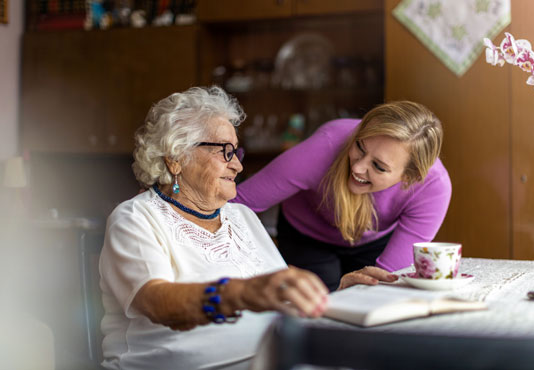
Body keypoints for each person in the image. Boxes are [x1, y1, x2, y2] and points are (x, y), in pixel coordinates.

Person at [99, 86, 396, 370]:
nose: (238, 167)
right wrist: (241, 293)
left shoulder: (241, 216)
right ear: (176, 159)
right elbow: (157, 302)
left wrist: (337, 295)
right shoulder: (136, 218)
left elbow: (278, 296)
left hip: (273, 360)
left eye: (236, 153)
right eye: (224, 152)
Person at [233, 101, 451, 291]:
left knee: (373, 301)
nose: (358, 167)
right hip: (307, 235)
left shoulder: (433, 187)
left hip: (374, 241)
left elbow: (387, 280)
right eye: (360, 147)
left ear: (410, 177)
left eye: (378, 166)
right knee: (314, 309)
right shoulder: (325, 146)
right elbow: (236, 203)